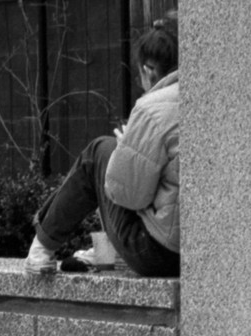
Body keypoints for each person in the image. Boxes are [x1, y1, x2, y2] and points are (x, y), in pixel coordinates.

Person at [25, 17, 179, 278]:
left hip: (158, 255)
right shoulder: (204, 99)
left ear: (148, 70)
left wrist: (123, 154)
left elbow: (129, 197)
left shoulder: (152, 108)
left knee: (97, 153)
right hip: (200, 253)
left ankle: (41, 249)